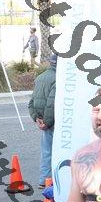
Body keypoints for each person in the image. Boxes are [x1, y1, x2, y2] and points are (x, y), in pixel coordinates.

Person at [28, 54, 57, 189]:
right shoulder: (58, 78)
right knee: (55, 152)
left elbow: (31, 101)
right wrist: (47, 122)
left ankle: (43, 180)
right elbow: (51, 104)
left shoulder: (40, 77)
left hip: (43, 120)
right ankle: (52, 181)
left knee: (46, 152)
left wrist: (37, 119)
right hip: (52, 122)